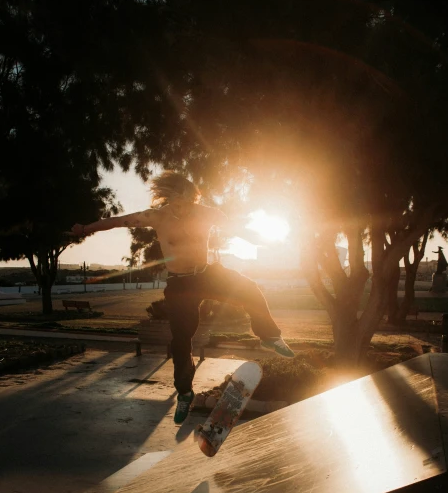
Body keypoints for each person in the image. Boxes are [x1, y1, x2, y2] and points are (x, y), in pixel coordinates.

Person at [70, 172, 294, 424]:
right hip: (179, 283)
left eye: (189, 201)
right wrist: (86, 229)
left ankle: (269, 336)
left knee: (249, 289)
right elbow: (118, 221)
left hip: (207, 274)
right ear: (169, 197)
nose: (184, 207)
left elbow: (238, 228)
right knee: (182, 338)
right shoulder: (156, 216)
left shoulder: (206, 212)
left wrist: (268, 239)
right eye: (178, 201)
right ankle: (185, 393)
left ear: (194, 198)